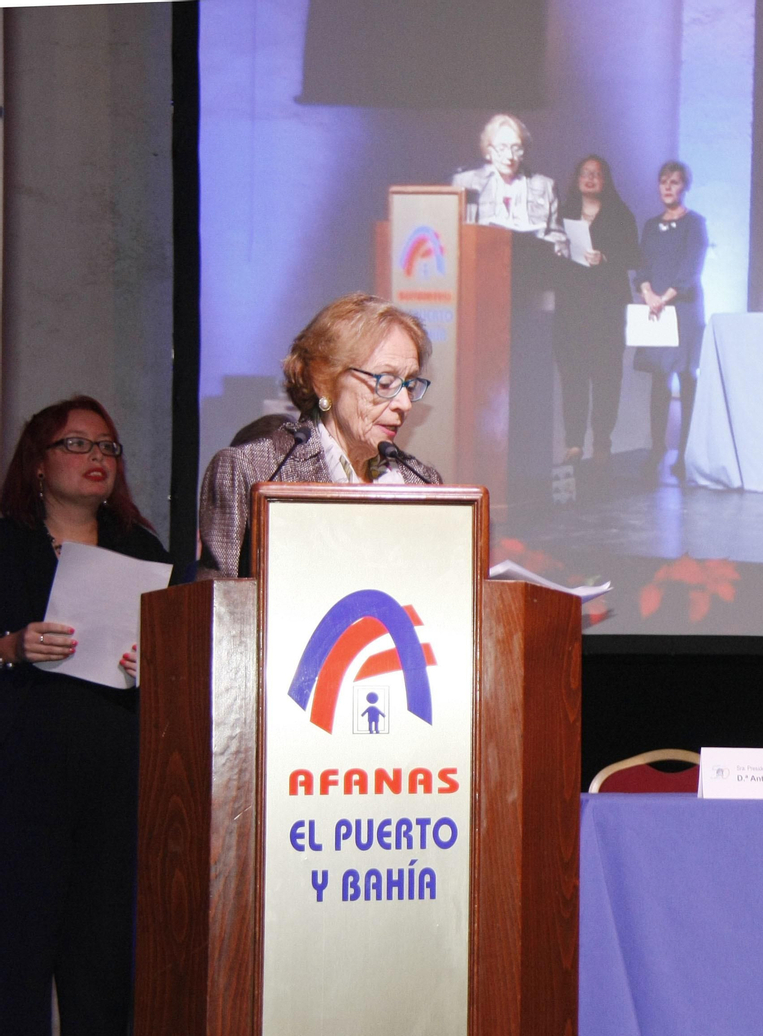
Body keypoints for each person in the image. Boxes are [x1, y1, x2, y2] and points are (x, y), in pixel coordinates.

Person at [0, 396, 170, 1035]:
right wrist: (11, 646)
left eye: (107, 447)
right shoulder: (7, 543)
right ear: (38, 464)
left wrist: (152, 661)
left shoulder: (141, 545)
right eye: (76, 444)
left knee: (103, 959)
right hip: (24, 777)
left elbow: (178, 656)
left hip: (116, 776)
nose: (96, 457)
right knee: (18, 951)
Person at [198, 293, 443, 578]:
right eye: (385, 382)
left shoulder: (421, 482)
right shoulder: (255, 471)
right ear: (324, 380)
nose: (405, 403)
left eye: (410, 385)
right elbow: (219, 611)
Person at [554, 154, 640, 466]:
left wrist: (605, 258)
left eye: (597, 174)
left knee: (606, 376)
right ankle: (574, 442)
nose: (591, 178)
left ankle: (602, 439)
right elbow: (547, 257)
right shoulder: (562, 213)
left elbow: (634, 255)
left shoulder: (619, 214)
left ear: (606, 180)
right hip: (571, 309)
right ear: (577, 178)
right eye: (585, 173)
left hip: (606, 309)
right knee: (572, 377)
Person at [634, 160, 709, 480]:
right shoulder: (651, 225)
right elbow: (642, 265)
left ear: (684, 187)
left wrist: (665, 298)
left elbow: (691, 269)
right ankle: (657, 449)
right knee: (658, 379)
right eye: (663, 181)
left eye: (674, 182)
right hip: (655, 308)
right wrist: (648, 293)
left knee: (686, 377)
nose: (667, 187)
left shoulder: (695, 223)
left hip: (683, 308)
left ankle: (686, 450)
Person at [450, 113, 568, 255]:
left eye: (516, 148)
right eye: (502, 148)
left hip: (531, 265)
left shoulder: (546, 186)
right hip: (482, 260)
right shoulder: (466, 182)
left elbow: (558, 237)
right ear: (489, 151)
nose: (509, 156)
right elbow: (453, 234)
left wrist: (554, 250)